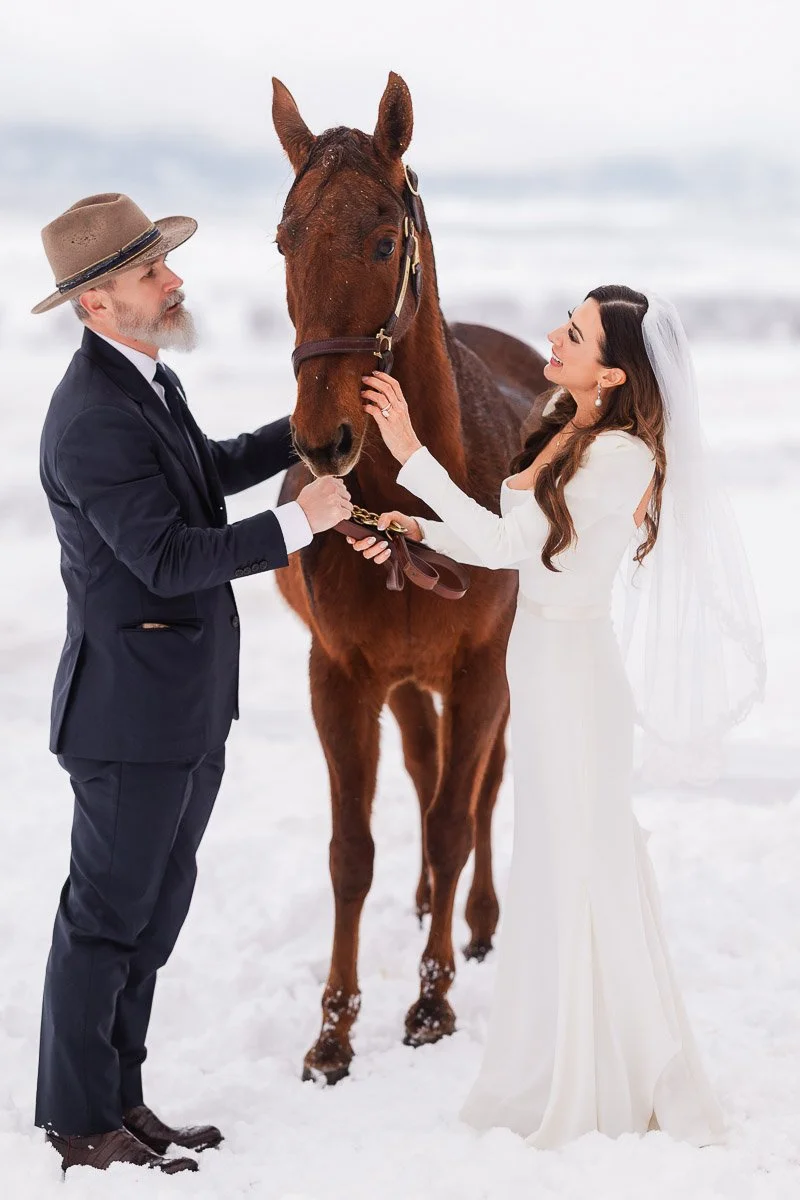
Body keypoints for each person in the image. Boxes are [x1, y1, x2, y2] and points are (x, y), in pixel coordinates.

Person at [352, 285, 765, 1148]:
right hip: (539, 667)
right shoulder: (567, 424)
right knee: (552, 861)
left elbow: (519, 551)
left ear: (613, 373)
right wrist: (412, 525)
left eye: (573, 333)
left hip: (575, 680)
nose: (552, 334)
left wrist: (411, 452)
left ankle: (611, 1067)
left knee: (585, 863)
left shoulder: (621, 460)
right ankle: (559, 1051)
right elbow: (507, 548)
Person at [32, 193, 352, 1174]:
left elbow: (202, 474)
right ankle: (79, 1120)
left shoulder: (144, 383)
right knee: (104, 921)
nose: (174, 280)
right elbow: (168, 557)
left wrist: (307, 434)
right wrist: (304, 522)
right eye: (148, 272)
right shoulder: (90, 417)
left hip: (180, 708)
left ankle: (121, 1098)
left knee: (151, 915)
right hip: (127, 718)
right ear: (96, 303)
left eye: (164, 266)